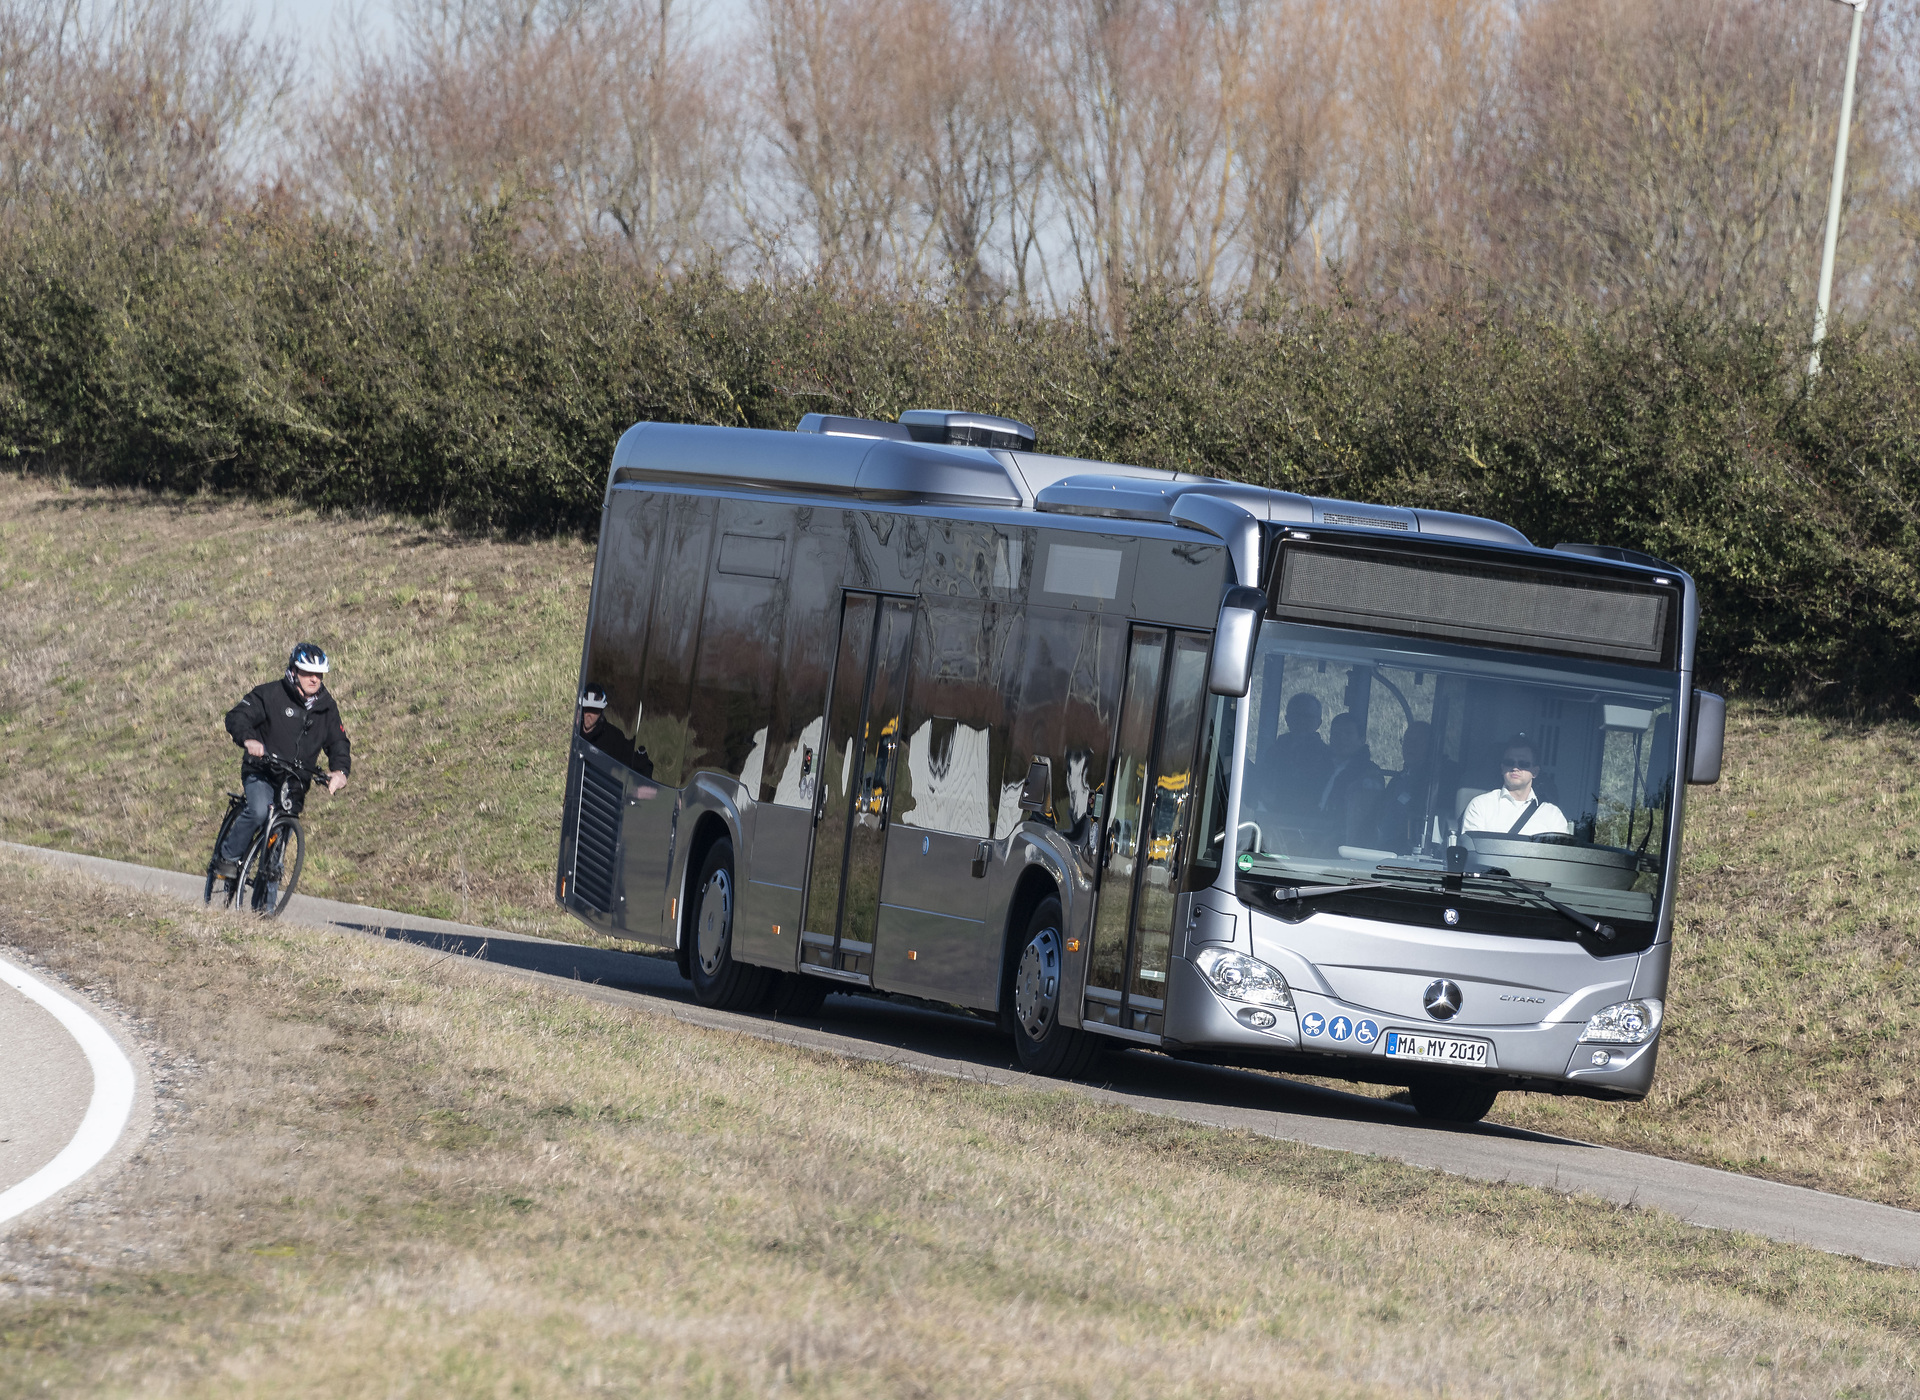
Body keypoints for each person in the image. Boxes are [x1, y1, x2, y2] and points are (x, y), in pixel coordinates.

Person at [214, 643, 350, 878]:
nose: (314, 679)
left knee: (278, 845)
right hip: (262, 771)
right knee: (258, 811)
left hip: (295, 781)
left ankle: (265, 909)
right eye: (308, 673)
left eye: (319, 674)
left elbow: (338, 741)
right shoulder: (270, 694)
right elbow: (238, 716)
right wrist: (249, 740)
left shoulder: (327, 708)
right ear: (294, 671)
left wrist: (340, 772)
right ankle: (228, 856)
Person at [1461, 736, 1570, 837]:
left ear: (1535, 772)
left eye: (1523, 763)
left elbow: (1560, 854)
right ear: (1502, 768)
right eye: (1509, 762)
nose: (1515, 767)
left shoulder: (1553, 815)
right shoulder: (1480, 806)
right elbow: (1472, 852)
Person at [1317, 712, 1386, 845]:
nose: (1341, 739)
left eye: (1348, 733)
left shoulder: (1369, 774)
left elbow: (1361, 821)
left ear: (1361, 739)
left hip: (1343, 845)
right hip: (1315, 834)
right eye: (1336, 733)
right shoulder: (1321, 766)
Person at [1381, 720, 1440, 852]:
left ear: (1431, 746)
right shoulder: (1397, 780)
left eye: (1417, 742)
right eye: (1407, 740)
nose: (1410, 746)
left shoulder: (1434, 784)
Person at [578, 686, 649, 776]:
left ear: (601, 712)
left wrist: (641, 751)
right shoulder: (574, 731)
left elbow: (632, 758)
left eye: (594, 710)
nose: (589, 715)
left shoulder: (613, 737)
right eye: (587, 709)